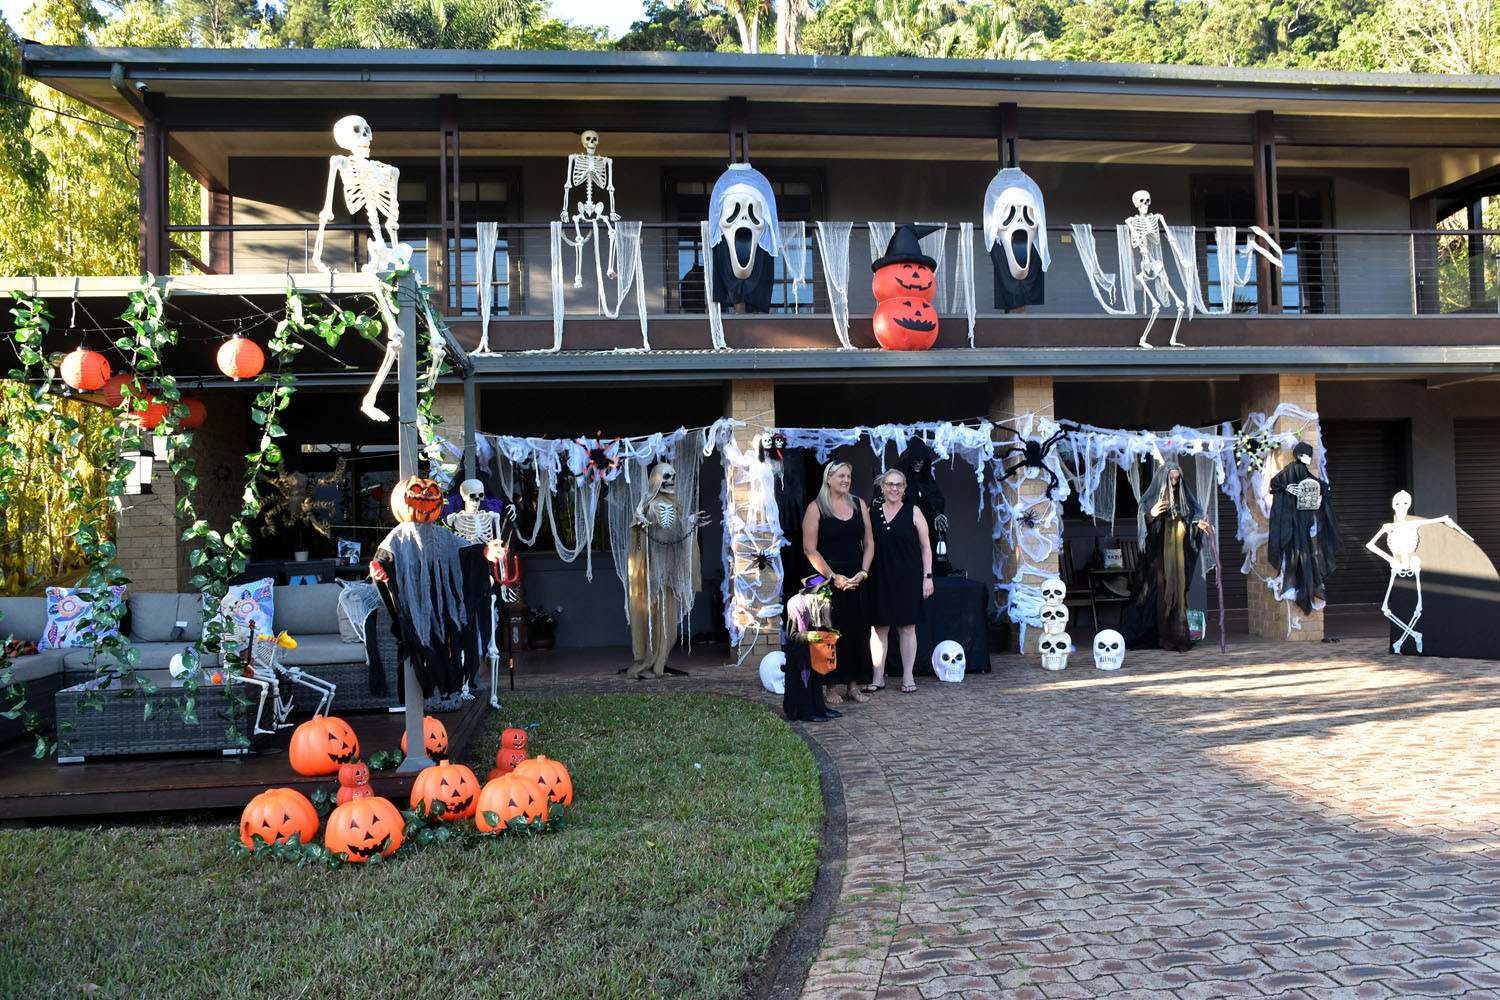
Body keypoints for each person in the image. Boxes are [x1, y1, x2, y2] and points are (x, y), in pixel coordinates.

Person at [802, 461, 875, 705]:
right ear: (829, 478)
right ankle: (830, 687)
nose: (846, 480)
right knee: (829, 635)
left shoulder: (859, 504)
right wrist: (833, 577)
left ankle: (853, 685)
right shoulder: (816, 508)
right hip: (827, 582)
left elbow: (869, 543)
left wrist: (863, 572)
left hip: (855, 580)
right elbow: (809, 548)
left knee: (857, 632)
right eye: (841, 475)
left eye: (849, 476)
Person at [1121, 460, 1208, 652]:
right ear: (1163, 478)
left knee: (1176, 588)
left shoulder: (1184, 497)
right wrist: (1151, 514)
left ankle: (1172, 633)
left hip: (1177, 553)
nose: (1175, 483)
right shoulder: (1153, 497)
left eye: (1177, 479)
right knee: (1156, 589)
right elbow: (1143, 516)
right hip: (1158, 554)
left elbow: (1194, 514)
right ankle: (1155, 634)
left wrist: (1198, 525)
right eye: (1171, 478)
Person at [867, 469, 933, 693]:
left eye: (899, 485)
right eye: (889, 484)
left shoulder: (914, 511)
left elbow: (926, 547)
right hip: (879, 577)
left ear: (905, 488)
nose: (894, 488)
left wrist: (928, 577)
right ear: (882, 487)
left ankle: (908, 677)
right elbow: (864, 545)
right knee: (879, 628)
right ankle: (878, 678)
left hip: (909, 578)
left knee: (907, 627)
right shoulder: (871, 512)